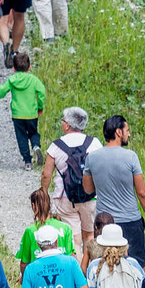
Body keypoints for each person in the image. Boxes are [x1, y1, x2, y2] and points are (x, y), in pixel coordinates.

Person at [84, 114, 145, 275]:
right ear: (118, 132)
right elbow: (142, 192)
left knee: (102, 265)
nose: (129, 134)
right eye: (127, 130)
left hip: (104, 222)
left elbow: (88, 189)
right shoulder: (130, 157)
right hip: (130, 221)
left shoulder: (92, 158)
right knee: (136, 267)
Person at [42, 106, 99, 263]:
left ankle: (77, 279)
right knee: (89, 236)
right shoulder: (94, 143)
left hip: (64, 198)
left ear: (67, 125)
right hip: (90, 196)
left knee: (74, 241)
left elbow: (46, 174)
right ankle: (89, 276)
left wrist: (44, 192)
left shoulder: (56, 146)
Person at [0, 49, 48, 166]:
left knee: (21, 136)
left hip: (18, 114)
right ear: (29, 67)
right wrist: (39, 106)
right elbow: (42, 92)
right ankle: (36, 146)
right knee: (33, 132)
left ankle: (27, 161)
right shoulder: (33, 80)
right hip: (32, 113)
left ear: (13, 68)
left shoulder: (12, 80)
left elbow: (1, 92)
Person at [18, 185, 75, 269]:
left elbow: (24, 262)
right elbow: (71, 256)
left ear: (33, 206)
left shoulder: (30, 231)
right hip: (62, 273)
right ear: (49, 204)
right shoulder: (65, 228)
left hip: (39, 275)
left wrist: (23, 278)